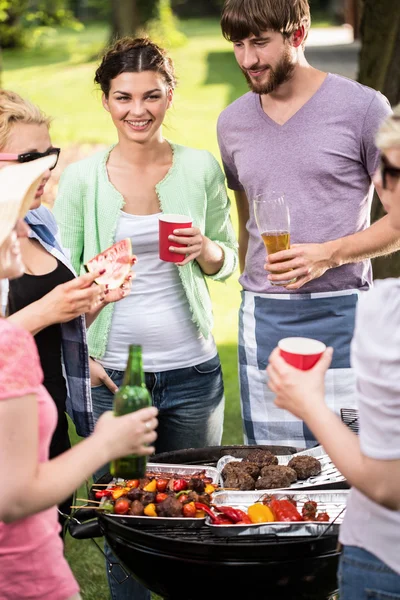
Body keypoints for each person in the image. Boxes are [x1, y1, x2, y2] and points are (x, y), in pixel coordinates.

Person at [53, 36, 237, 600]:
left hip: (192, 375)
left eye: (152, 96)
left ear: (171, 95)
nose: (139, 110)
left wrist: (205, 249)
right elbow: (65, 284)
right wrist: (84, 352)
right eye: (124, 97)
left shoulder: (200, 167)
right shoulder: (83, 180)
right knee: (127, 516)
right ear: (106, 101)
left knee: (194, 516)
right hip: (114, 381)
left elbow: (227, 260)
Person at [217, 0, 396, 448]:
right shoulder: (231, 122)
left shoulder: (363, 108)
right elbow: (247, 218)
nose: (247, 60)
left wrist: (327, 254)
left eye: (260, 43)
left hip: (343, 312)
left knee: (352, 469)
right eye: (238, 45)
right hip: (263, 316)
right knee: (270, 473)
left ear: (298, 34)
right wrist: (251, 279)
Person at [0, 157, 159, 600]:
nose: (26, 231)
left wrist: (92, 304)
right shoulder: (8, 345)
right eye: (11, 222)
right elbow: (13, 498)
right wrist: (106, 444)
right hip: (22, 574)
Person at [267, 106, 400, 600]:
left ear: (385, 185)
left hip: (386, 560)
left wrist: (309, 405)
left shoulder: (388, 316)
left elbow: (386, 485)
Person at [0, 90, 132, 530]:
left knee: (46, 544)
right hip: (8, 429)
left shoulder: (40, 221)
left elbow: (55, 327)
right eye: (29, 158)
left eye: (49, 155)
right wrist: (47, 308)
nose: (46, 169)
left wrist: (88, 305)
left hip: (48, 411)